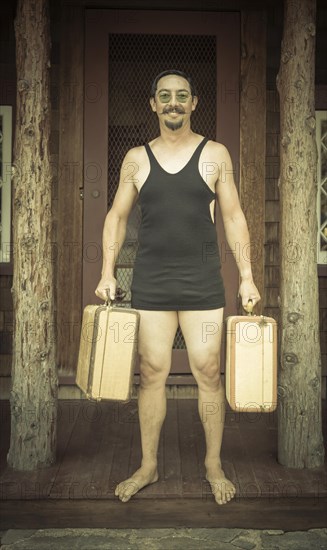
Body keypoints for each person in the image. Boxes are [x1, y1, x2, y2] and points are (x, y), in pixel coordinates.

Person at [95, 69, 261, 505]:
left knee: (208, 371)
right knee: (152, 373)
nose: (173, 102)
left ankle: (212, 464)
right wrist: (107, 270)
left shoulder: (215, 155)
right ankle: (148, 465)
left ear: (193, 103)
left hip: (202, 282)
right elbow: (116, 216)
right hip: (151, 281)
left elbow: (233, 217)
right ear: (153, 104)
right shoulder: (135, 159)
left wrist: (246, 276)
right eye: (165, 96)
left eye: (181, 96)